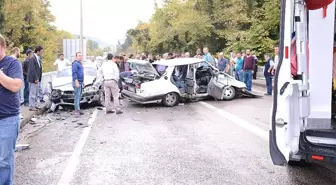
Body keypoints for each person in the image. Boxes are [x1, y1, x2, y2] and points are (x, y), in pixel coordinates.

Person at [0, 34, 23, 185]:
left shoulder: (12, 64)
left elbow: (15, 86)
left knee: (4, 160)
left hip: (7, 118)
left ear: (2, 47)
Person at [27, 46, 43, 111]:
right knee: (32, 93)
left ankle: (35, 105)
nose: (42, 53)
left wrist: (39, 78)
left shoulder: (38, 58)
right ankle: (31, 106)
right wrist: (36, 78)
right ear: (38, 51)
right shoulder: (32, 58)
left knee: (36, 93)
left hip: (37, 78)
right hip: (33, 79)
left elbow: (39, 69)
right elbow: (32, 69)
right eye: (41, 51)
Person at [72, 52, 84, 116]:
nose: (80, 57)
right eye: (79, 56)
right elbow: (74, 73)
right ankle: (76, 111)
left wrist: (83, 82)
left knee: (79, 96)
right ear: (76, 56)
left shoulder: (80, 64)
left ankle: (78, 109)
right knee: (77, 96)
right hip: (77, 82)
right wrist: (76, 82)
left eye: (81, 56)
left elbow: (82, 73)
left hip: (81, 82)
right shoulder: (75, 64)